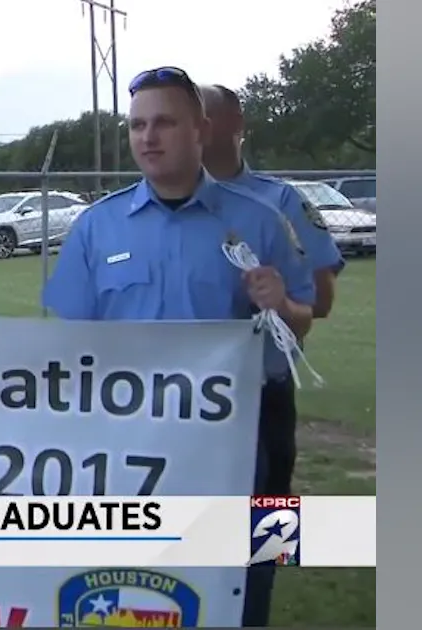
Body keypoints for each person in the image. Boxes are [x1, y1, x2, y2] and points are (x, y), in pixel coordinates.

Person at [42, 68, 316, 629]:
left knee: (259, 557)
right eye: (137, 125)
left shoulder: (262, 219)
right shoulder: (96, 227)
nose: (148, 136)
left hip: (248, 428)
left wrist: (283, 304)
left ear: (201, 129)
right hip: (131, 435)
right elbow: (67, 342)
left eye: (164, 122)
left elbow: (304, 323)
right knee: (142, 574)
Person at [201, 82, 344, 627]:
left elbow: (322, 297)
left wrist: (282, 302)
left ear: (236, 124)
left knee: (266, 526)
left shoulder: (280, 201)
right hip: (180, 402)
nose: (200, 127)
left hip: (262, 395)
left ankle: (254, 609)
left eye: (207, 116)